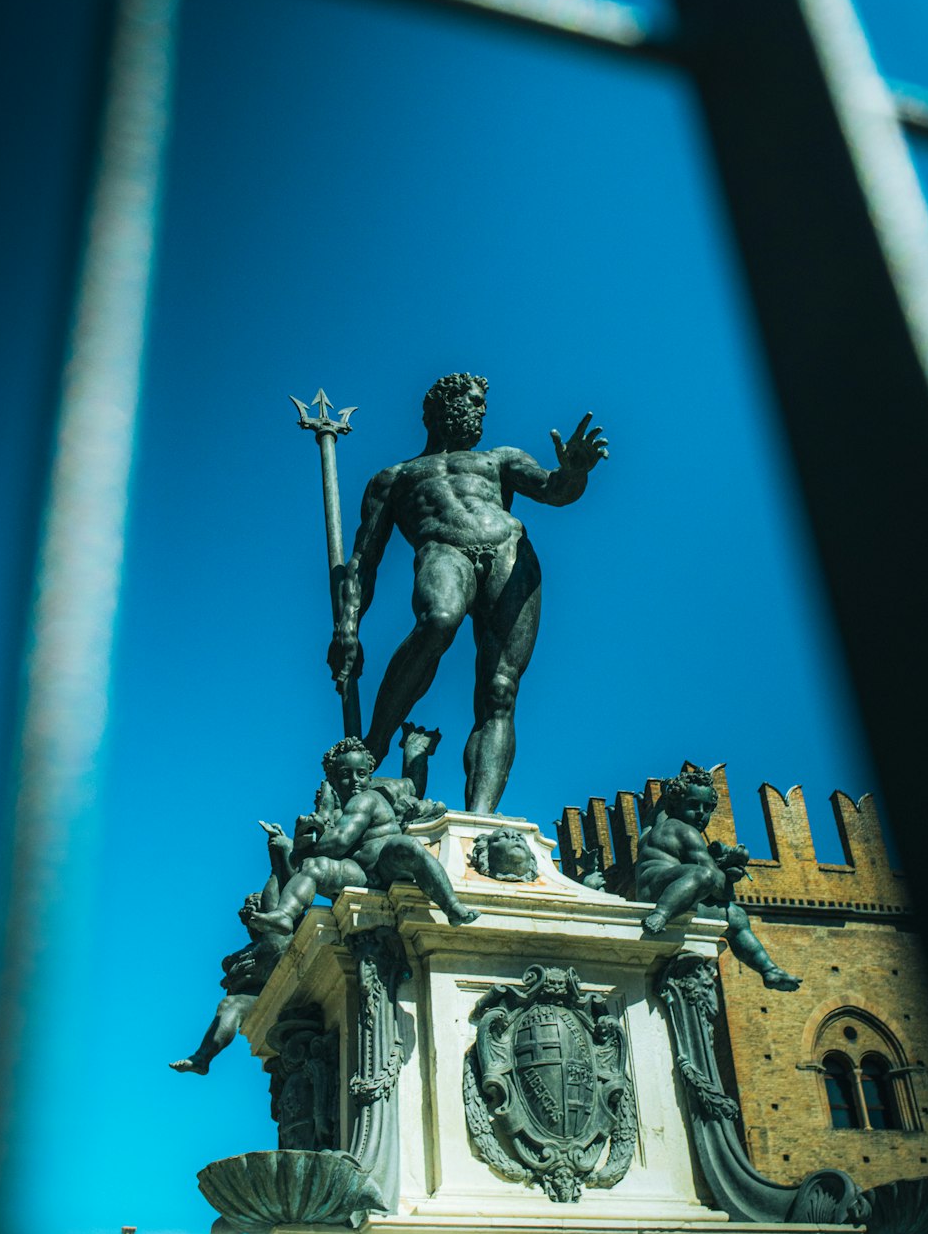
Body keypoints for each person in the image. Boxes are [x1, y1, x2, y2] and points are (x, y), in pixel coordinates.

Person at [327, 373, 607, 814]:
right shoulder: (394, 478)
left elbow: (556, 490)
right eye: (474, 402)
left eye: (483, 405)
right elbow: (363, 561)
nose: (481, 411)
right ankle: (373, 748)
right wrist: (348, 627)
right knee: (438, 620)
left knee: (500, 690)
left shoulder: (500, 460)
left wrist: (575, 471)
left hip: (510, 553)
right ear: (444, 405)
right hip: (442, 550)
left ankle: (479, 820)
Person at [248, 736, 479, 934]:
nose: (355, 781)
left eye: (361, 773)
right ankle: (284, 915)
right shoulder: (336, 812)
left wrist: (301, 850)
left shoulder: (366, 799)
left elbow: (339, 842)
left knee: (407, 847)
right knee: (314, 867)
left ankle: (452, 906)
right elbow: (318, 850)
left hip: (386, 861)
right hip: (360, 873)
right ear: (333, 779)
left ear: (370, 776)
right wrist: (303, 844)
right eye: (345, 774)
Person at [637, 767, 801, 992]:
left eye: (707, 809)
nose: (701, 814)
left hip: (661, 890)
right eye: (694, 805)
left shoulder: (652, 828)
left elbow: (657, 811)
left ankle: (769, 970)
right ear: (676, 804)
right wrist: (729, 877)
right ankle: (660, 915)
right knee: (705, 876)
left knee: (735, 916)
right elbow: (715, 883)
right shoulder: (686, 832)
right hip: (663, 896)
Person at [169, 892, 290, 1074]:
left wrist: (243, 971)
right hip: (259, 998)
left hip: (288, 992)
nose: (249, 921)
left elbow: (269, 957)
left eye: (255, 911)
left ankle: (202, 1058)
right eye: (247, 917)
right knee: (229, 1005)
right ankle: (202, 1058)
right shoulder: (250, 949)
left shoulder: (282, 932)